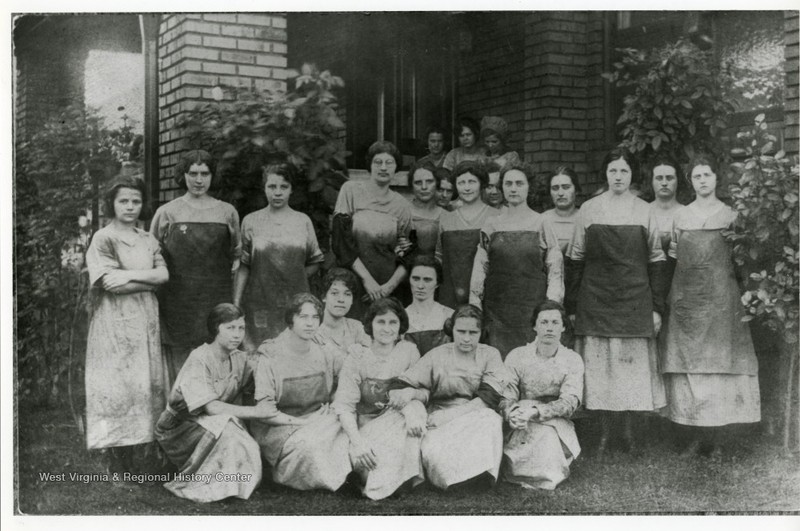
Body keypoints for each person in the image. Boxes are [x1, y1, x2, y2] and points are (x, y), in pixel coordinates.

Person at [565, 148, 669, 455]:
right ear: (605, 174)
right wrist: (572, 306)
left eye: (624, 171)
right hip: (596, 299)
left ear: (632, 174)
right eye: (613, 171)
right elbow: (576, 258)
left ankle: (629, 434)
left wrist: (656, 307)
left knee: (631, 371)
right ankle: (605, 434)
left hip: (635, 299)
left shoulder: (643, 210)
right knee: (601, 370)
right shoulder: (589, 209)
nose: (619, 177)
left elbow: (657, 258)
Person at [660, 155, 761, 456]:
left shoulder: (731, 215)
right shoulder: (681, 217)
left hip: (722, 301)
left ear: (717, 179)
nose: (702, 180)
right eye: (697, 176)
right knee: (691, 369)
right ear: (690, 181)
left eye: (707, 175)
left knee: (720, 368)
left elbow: (742, 261)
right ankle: (694, 435)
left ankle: (717, 440)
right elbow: (673, 261)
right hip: (688, 302)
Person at [84, 176, 170, 473]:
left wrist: (131, 276)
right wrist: (147, 278)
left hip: (145, 320)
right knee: (116, 383)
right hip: (115, 321)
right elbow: (111, 284)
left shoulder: (147, 239)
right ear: (113, 204)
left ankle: (137, 455)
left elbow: (164, 277)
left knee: (142, 383)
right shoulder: (103, 238)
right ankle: (114, 458)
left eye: (135, 201)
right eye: (124, 201)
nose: (130, 206)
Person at [388, 305, 508, 490]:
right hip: (438, 418)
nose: (466, 338)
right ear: (451, 329)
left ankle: (480, 477)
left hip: (474, 415)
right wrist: (409, 396)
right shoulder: (438, 354)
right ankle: (454, 479)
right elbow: (402, 383)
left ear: (481, 332)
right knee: (439, 458)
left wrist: (450, 416)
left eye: (472, 332)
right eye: (461, 331)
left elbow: (489, 396)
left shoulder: (490, 354)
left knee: (492, 419)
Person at [150, 150, 241, 383]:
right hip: (178, 304)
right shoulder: (167, 212)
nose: (199, 180)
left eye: (205, 173)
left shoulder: (227, 212)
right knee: (182, 371)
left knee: (215, 363)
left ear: (212, 176)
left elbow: (236, 256)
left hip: (215, 300)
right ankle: (181, 416)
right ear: (183, 175)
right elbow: (151, 254)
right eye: (193, 173)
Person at [155, 303, 261, 502]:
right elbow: (211, 407)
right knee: (230, 433)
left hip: (211, 422)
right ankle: (217, 487)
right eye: (230, 328)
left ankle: (234, 485)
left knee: (238, 435)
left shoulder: (239, 358)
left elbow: (253, 386)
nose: (237, 335)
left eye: (241, 328)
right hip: (179, 428)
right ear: (215, 329)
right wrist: (258, 412)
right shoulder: (200, 358)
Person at [250, 293, 351, 491]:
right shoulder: (270, 355)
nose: (310, 324)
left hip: (321, 420)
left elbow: (350, 373)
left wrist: (333, 403)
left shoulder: (325, 350)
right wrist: (304, 422)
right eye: (303, 317)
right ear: (291, 320)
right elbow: (265, 411)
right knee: (311, 446)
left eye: (314, 318)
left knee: (347, 427)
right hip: (282, 428)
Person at [333, 298, 426, 499]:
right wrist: (358, 442)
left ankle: (400, 479)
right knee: (368, 465)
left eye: (393, 322)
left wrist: (409, 394)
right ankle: (386, 479)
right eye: (380, 322)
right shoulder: (357, 356)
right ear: (370, 325)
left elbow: (424, 393)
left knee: (414, 409)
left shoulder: (409, 351)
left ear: (401, 325)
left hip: (399, 426)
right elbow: (344, 405)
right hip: (366, 429)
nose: (387, 328)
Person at [470, 164, 564, 358]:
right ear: (501, 187)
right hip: (497, 311)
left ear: (529, 186)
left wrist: (551, 307)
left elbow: (555, 268)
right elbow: (481, 267)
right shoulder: (491, 224)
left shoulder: (541, 222)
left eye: (519, 183)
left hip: (531, 309)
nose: (513, 188)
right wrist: (475, 303)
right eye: (508, 183)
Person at [233, 163, 324, 349]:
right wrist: (236, 301)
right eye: (272, 186)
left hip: (295, 300)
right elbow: (244, 264)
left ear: (291, 190)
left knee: (293, 351)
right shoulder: (251, 221)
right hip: (259, 300)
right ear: (264, 188)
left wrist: (294, 277)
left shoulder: (302, 221)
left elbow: (316, 261)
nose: (277, 192)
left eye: (284, 187)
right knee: (261, 352)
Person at [501, 300, 584, 490]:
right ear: (534, 326)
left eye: (555, 323)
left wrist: (537, 411)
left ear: (563, 327)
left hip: (554, 420)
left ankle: (544, 476)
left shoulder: (572, 360)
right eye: (544, 322)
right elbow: (506, 394)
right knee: (520, 440)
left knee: (547, 439)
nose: (549, 329)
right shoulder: (517, 355)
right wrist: (512, 413)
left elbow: (570, 401)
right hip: (521, 418)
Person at [333, 141, 413, 318]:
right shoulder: (351, 190)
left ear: (396, 167)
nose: (383, 167)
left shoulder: (402, 206)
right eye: (378, 162)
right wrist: (367, 281)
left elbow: (406, 253)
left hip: (386, 288)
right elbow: (341, 242)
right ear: (369, 165)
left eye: (389, 162)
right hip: (354, 283)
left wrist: (388, 287)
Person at [436, 161, 499, 309]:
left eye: (472, 182)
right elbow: (439, 256)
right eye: (461, 182)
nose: (467, 187)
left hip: (488, 295)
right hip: (451, 294)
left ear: (481, 183)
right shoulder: (446, 218)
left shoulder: (496, 217)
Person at [404, 255, 454, 355]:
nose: (420, 286)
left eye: (427, 280)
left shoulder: (450, 315)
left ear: (437, 283)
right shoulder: (399, 317)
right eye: (416, 279)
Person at [315, 267, 371, 356]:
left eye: (347, 294)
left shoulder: (357, 328)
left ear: (352, 300)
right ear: (324, 297)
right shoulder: (313, 329)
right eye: (334, 293)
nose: (341, 299)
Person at [645, 155, 686, 254]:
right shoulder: (643, 213)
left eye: (669, 178)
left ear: (678, 180)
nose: (664, 183)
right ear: (651, 181)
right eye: (659, 178)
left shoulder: (687, 213)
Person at [408, 161, 446, 259]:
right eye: (418, 183)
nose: (424, 187)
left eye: (429, 181)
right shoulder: (403, 212)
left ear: (437, 183)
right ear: (411, 186)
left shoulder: (445, 215)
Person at [542, 166, 582, 255]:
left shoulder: (585, 219)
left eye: (566, 187)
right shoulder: (542, 220)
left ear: (576, 190)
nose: (560, 193)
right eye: (555, 188)